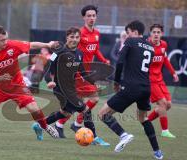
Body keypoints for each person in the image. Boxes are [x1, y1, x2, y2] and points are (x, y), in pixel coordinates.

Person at [0, 25, 59, 146]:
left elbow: (31, 45)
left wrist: (48, 45)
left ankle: (45, 127)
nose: (5, 42)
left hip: (17, 85)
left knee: (33, 108)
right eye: (2, 40)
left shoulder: (12, 45)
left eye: (6, 39)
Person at [32, 27, 110, 148]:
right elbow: (48, 69)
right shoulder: (58, 51)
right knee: (85, 110)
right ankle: (95, 137)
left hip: (70, 88)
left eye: (77, 37)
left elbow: (82, 72)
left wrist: (94, 82)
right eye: (72, 37)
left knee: (65, 113)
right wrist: (50, 81)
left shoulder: (79, 53)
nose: (74, 39)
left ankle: (40, 124)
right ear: (67, 37)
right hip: (60, 88)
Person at [98, 20, 163, 159]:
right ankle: (157, 152)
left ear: (133, 31)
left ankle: (124, 135)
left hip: (130, 87)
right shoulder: (150, 47)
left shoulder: (130, 41)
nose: (127, 35)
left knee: (103, 114)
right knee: (143, 118)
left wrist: (116, 82)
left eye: (128, 33)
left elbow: (120, 61)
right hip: (146, 88)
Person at [55, 5, 110, 145]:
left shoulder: (97, 33)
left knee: (74, 104)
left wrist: (104, 60)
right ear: (84, 17)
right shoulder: (80, 33)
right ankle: (78, 125)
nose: (91, 18)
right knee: (93, 98)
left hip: (86, 72)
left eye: (93, 15)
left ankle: (59, 125)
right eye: (89, 16)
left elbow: (96, 49)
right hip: (78, 72)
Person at [147, 24, 179, 138]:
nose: (156, 34)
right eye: (154, 32)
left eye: (158, 32)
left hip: (160, 79)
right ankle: (164, 131)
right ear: (150, 33)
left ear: (162, 34)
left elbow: (165, 59)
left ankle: (146, 121)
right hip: (150, 81)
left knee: (168, 104)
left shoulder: (164, 44)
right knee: (162, 103)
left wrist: (173, 73)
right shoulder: (146, 46)